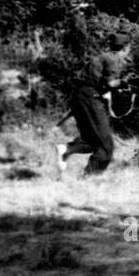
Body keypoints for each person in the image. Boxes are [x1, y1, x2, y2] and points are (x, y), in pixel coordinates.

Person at [57, 31, 131, 176]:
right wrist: (125, 82)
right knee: (105, 146)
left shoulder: (103, 57)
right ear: (126, 47)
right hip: (89, 97)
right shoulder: (113, 59)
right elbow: (111, 83)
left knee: (91, 141)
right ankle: (90, 179)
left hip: (80, 96)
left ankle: (65, 150)